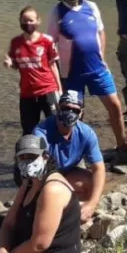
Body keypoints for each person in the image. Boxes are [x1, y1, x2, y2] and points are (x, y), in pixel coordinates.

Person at [47, 0, 127, 158]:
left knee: (115, 105)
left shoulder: (91, 6)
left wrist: (101, 55)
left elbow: (101, 32)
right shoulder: (57, 11)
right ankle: (75, 154)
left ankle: (122, 146)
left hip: (98, 69)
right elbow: (50, 43)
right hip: (71, 73)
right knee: (73, 114)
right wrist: (53, 72)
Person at [33, 90, 106, 222]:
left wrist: (92, 204)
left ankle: (77, 212)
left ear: (81, 113)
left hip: (66, 171)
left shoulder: (86, 133)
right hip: (42, 176)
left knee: (92, 183)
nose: (70, 113)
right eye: (66, 108)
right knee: (51, 194)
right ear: (58, 108)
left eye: (75, 110)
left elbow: (99, 168)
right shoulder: (41, 133)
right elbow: (38, 173)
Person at [4, 6, 63, 133]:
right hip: (27, 94)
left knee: (56, 127)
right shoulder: (16, 42)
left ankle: (54, 147)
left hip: (48, 91)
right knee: (28, 131)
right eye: (24, 20)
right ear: (20, 21)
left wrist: (59, 90)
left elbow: (53, 66)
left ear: (38, 21)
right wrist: (9, 64)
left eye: (31, 20)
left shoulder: (46, 41)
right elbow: (16, 65)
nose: (28, 23)